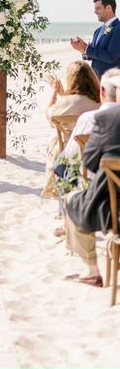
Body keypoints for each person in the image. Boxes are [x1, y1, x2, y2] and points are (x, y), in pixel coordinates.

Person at [63, 96, 120, 288]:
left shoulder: (107, 121)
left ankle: (91, 270)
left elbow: (89, 164)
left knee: (72, 199)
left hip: (113, 211)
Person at [41, 61, 100, 198]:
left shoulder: (65, 103)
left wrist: (56, 93)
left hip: (68, 151)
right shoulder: (99, 101)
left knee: (54, 142)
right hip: (93, 149)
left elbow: (50, 115)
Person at [71, 0, 120, 77]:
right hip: (95, 81)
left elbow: (111, 57)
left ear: (108, 8)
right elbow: (94, 54)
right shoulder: (98, 31)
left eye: (98, 8)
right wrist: (82, 50)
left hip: (111, 82)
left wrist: (86, 49)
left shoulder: (118, 28)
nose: (95, 12)